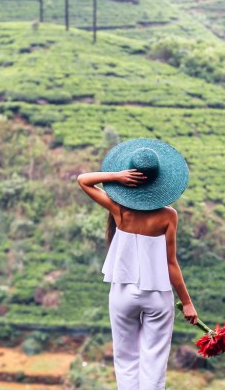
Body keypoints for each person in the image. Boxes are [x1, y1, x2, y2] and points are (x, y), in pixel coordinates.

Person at [77, 138, 198, 390]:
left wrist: (116, 176)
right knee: (154, 358)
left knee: (125, 358)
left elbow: (83, 179)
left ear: (130, 178)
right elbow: (171, 264)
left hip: (123, 293)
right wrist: (186, 302)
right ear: (160, 181)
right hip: (157, 295)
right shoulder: (168, 216)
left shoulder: (120, 210)